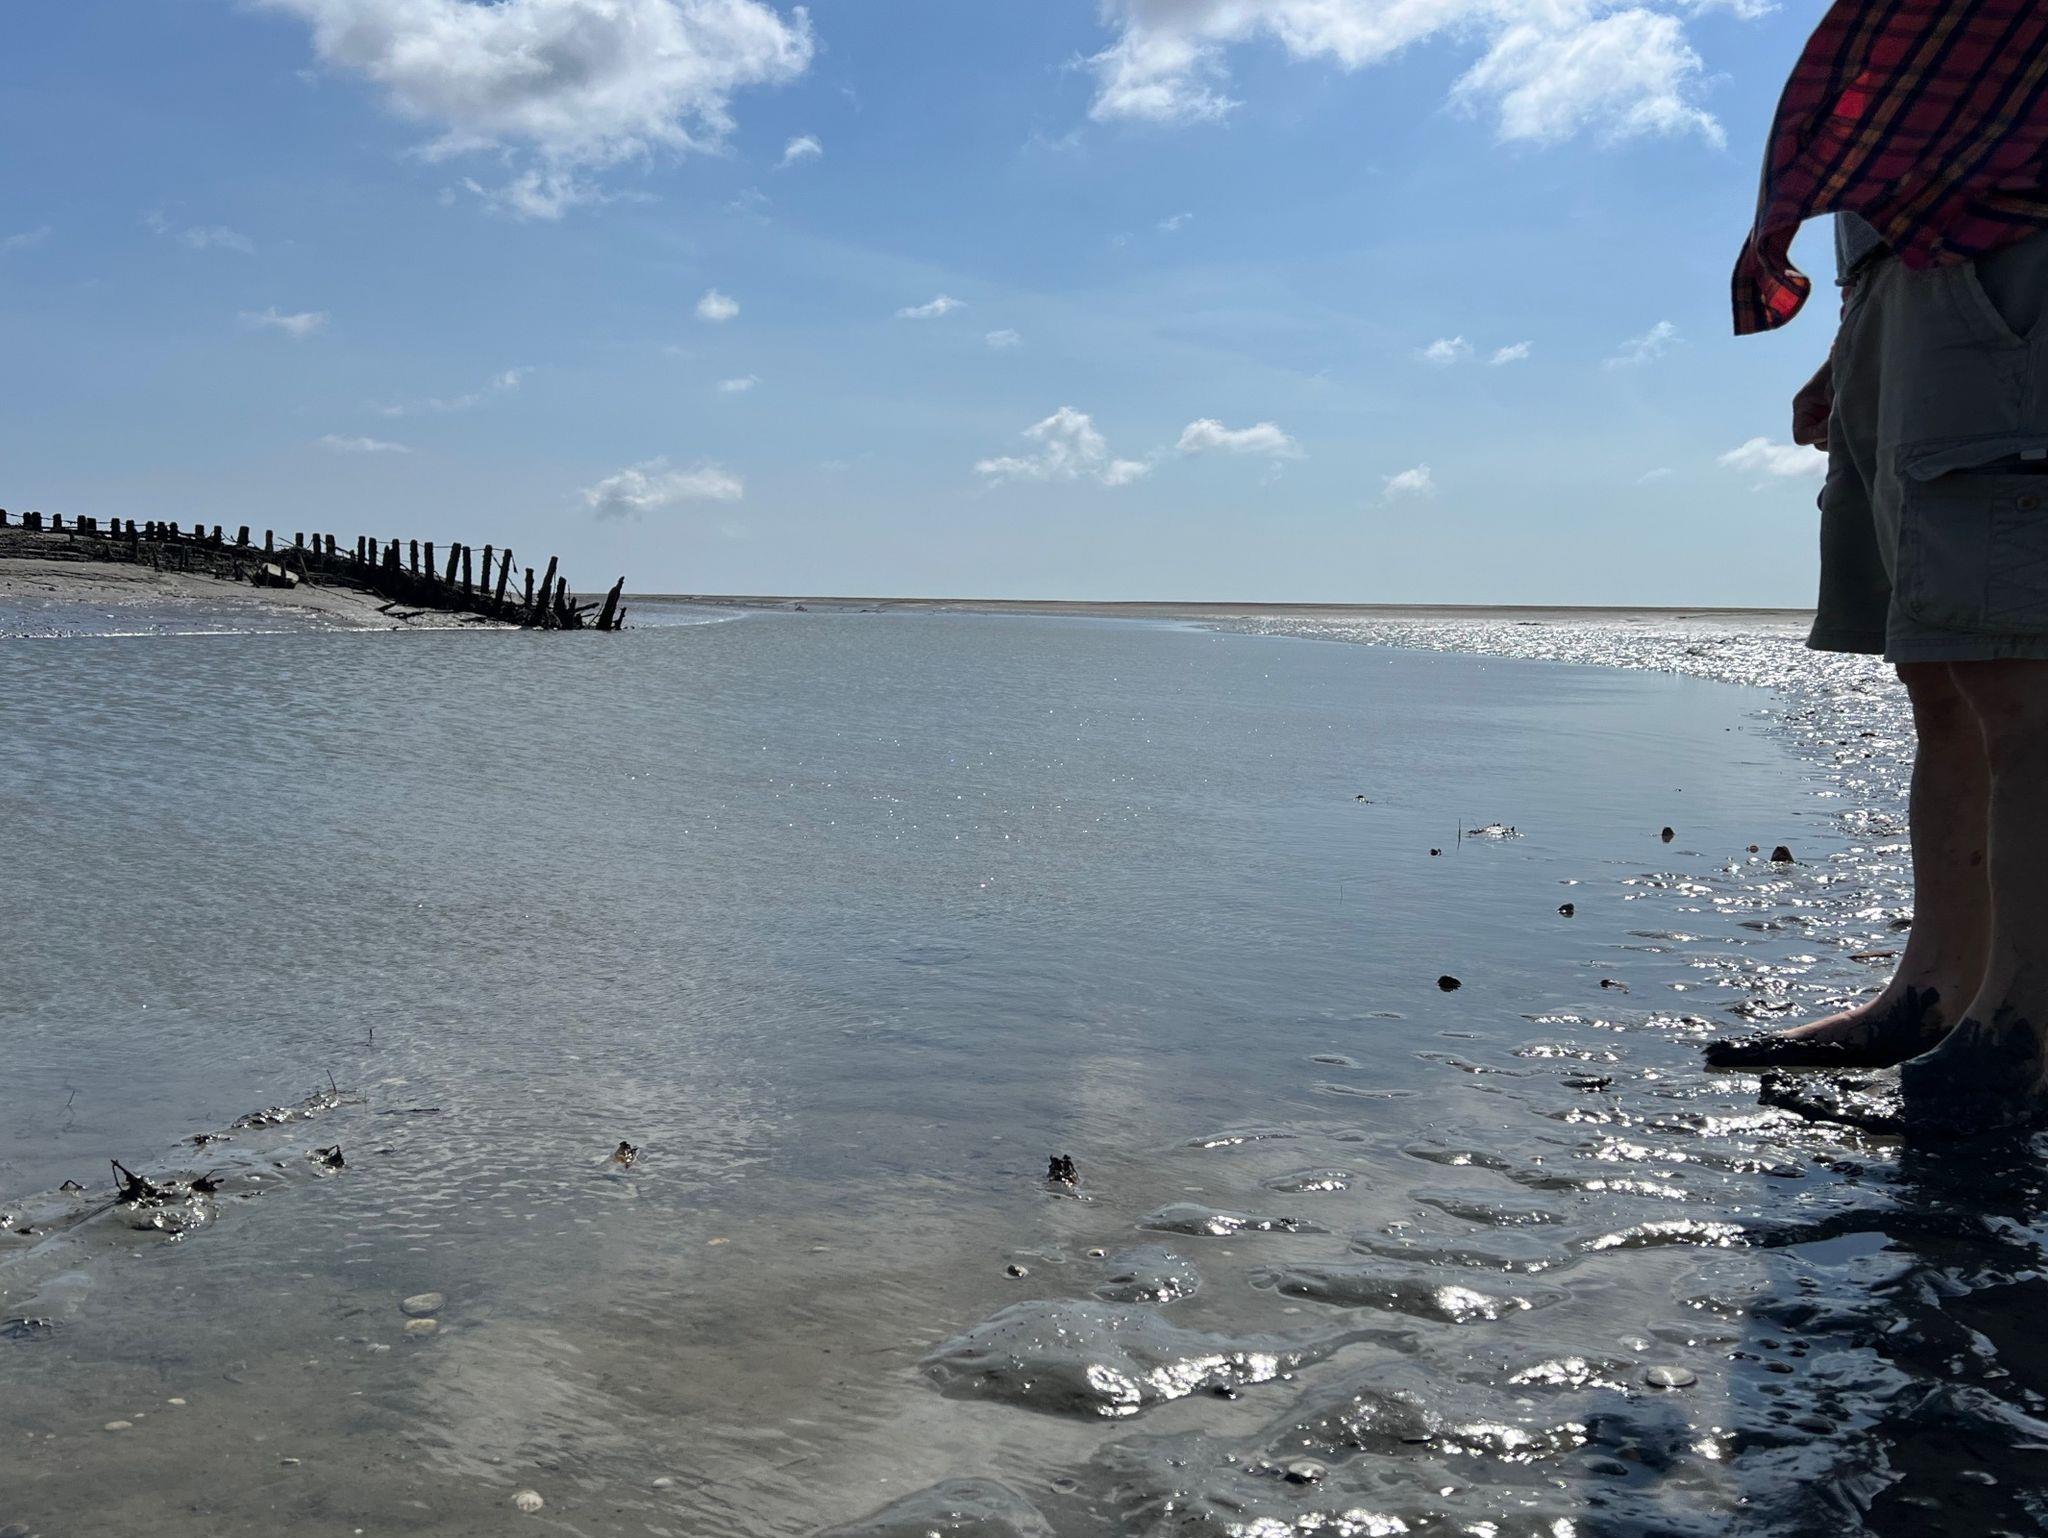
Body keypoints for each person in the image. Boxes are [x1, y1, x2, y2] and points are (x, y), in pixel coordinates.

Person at [1706, 1, 2048, 1134]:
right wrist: (1852, 341)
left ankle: (2019, 1040)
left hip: (2008, 262)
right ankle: (1937, 993)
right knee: (1936, 667)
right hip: (1908, 282)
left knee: (2017, 671)